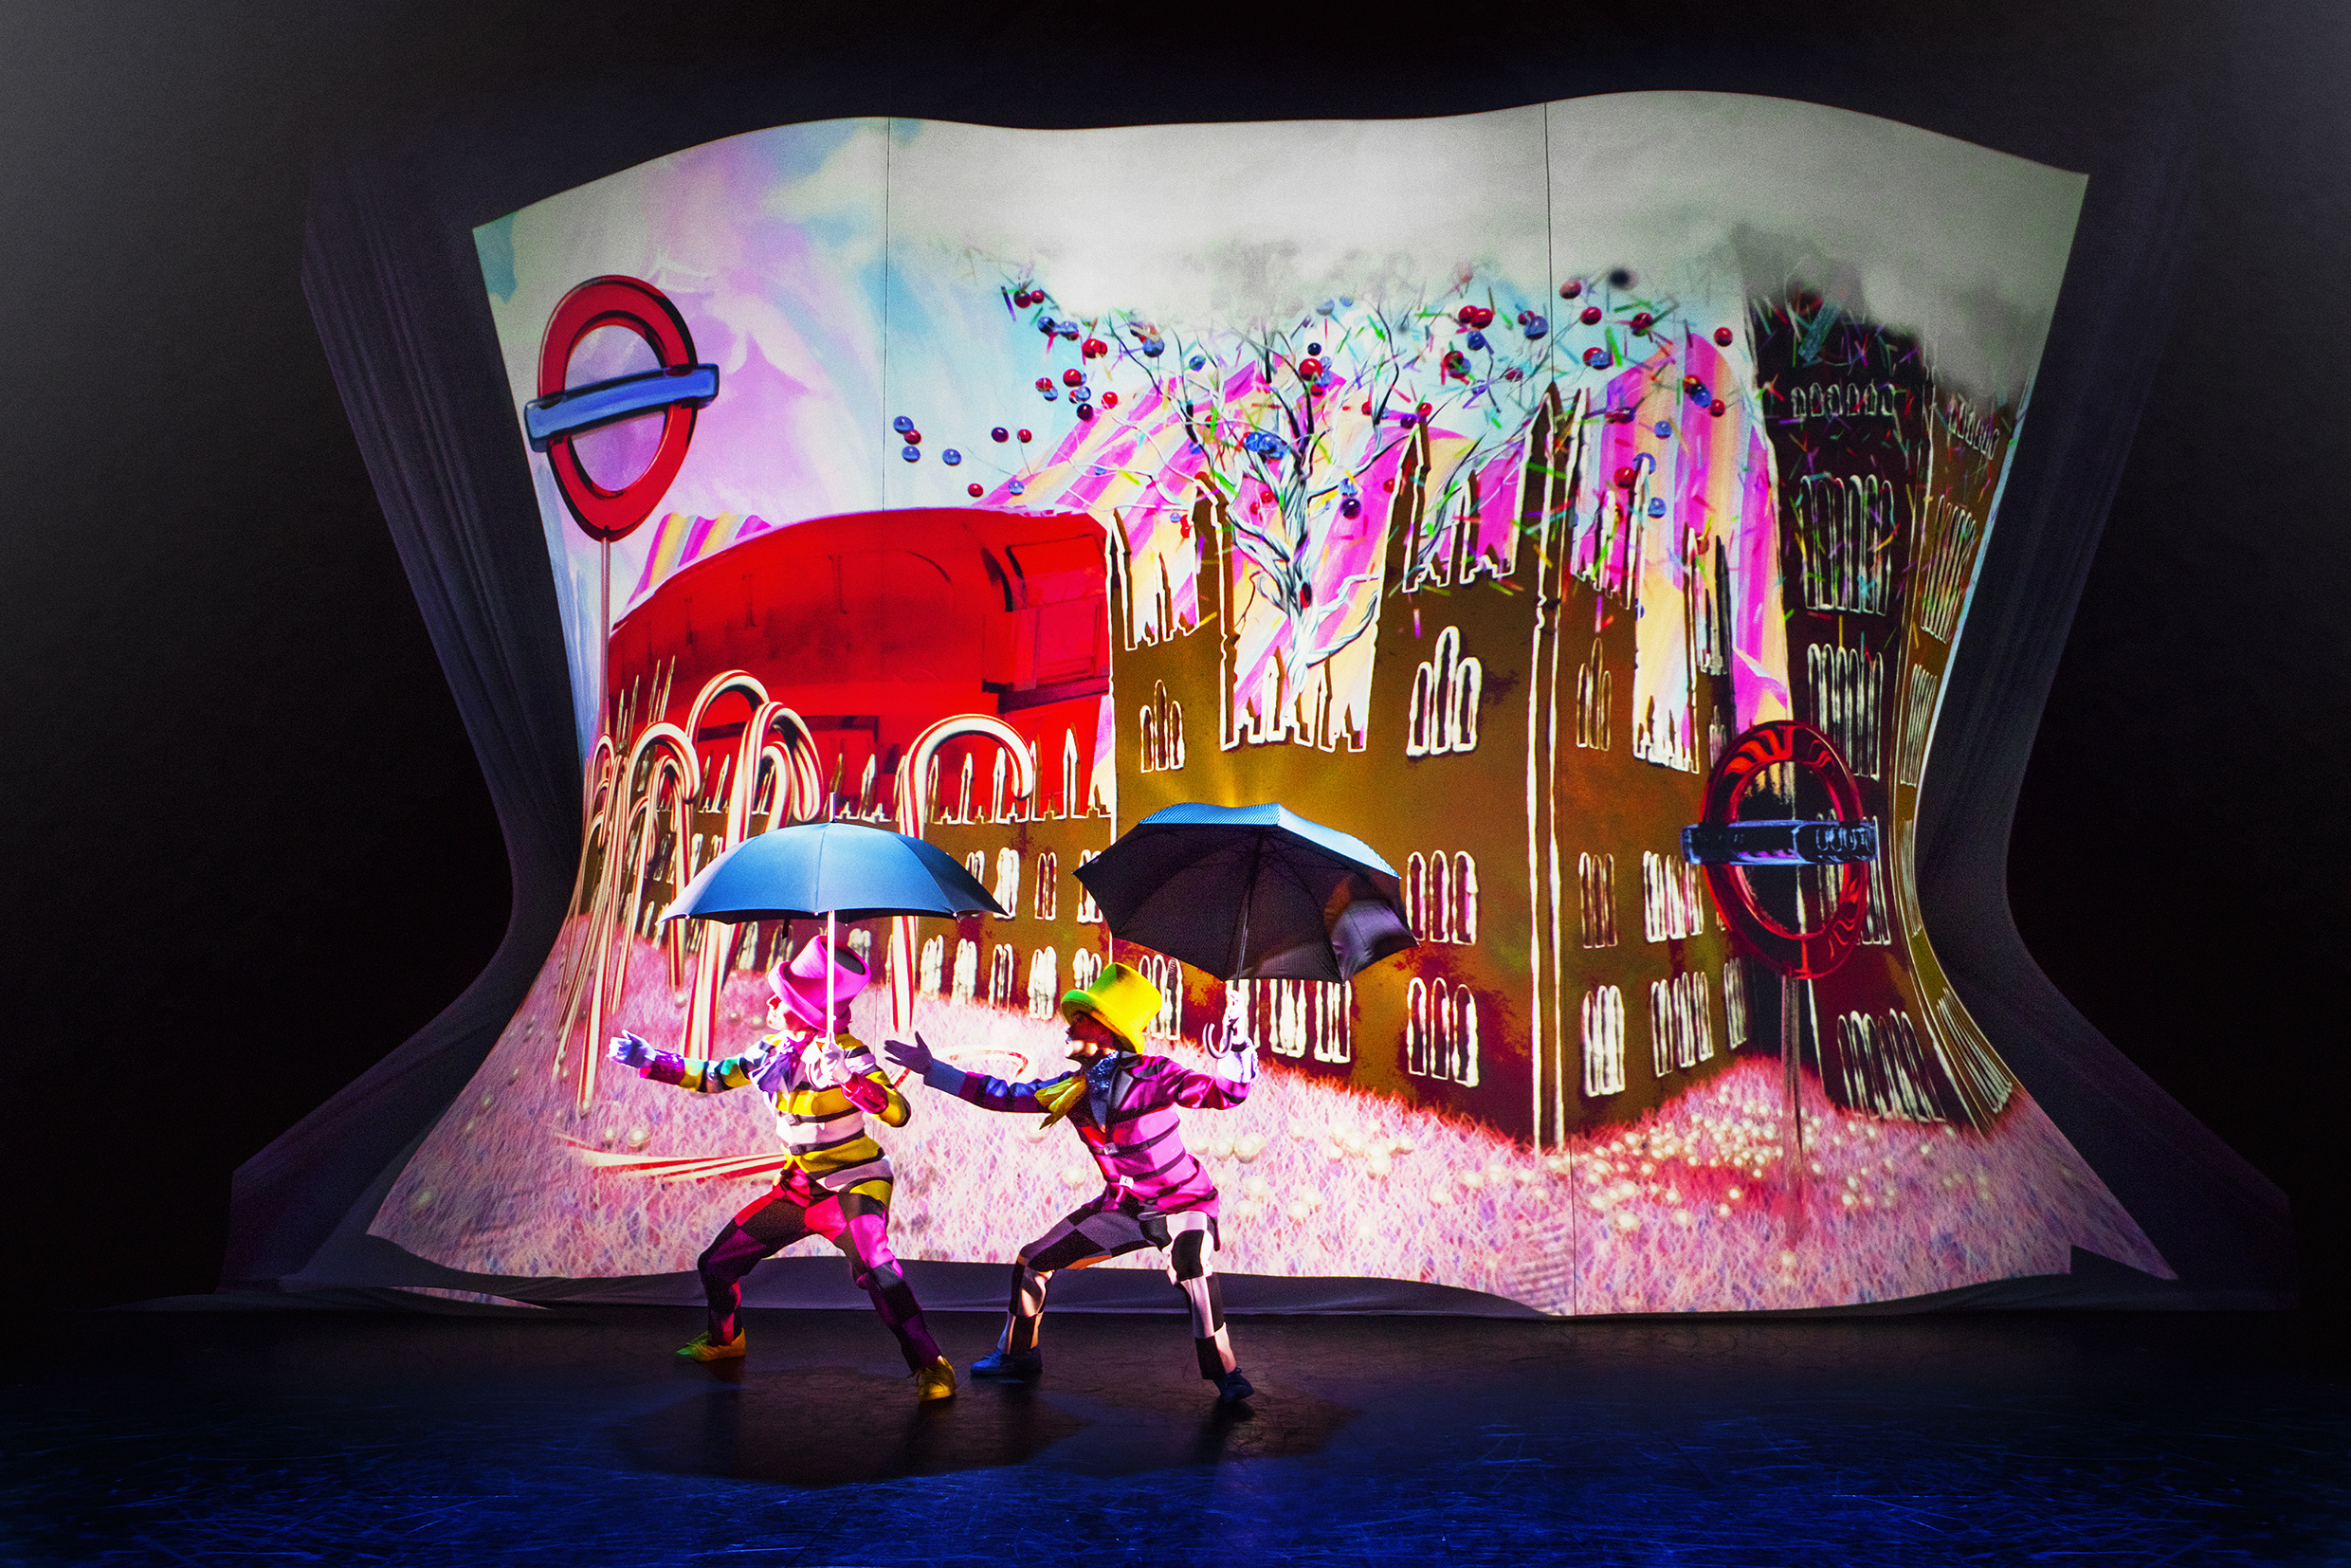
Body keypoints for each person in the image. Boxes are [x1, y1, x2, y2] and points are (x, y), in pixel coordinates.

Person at [885, 961, 1259, 1404]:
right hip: (1123, 1208)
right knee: (1033, 1261)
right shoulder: (1073, 1087)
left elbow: (1227, 1093)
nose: (1069, 1026)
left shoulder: (1154, 1074)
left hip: (1182, 1204)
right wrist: (932, 1068)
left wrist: (1238, 1042)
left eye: (1080, 1019)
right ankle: (1018, 1354)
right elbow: (1004, 1096)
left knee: (1191, 1265)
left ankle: (1226, 1374)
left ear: (1106, 1030)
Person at [610, 937, 955, 1402]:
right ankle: (725, 1340)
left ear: (811, 1012)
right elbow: (714, 1077)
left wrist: (849, 1080)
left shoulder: (848, 1054)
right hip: (798, 1190)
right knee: (717, 1263)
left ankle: (931, 1366)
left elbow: (898, 1112)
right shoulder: (771, 1050)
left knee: (880, 1271)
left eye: (784, 998)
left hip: (855, 1184)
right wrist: (652, 1061)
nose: (771, 1002)